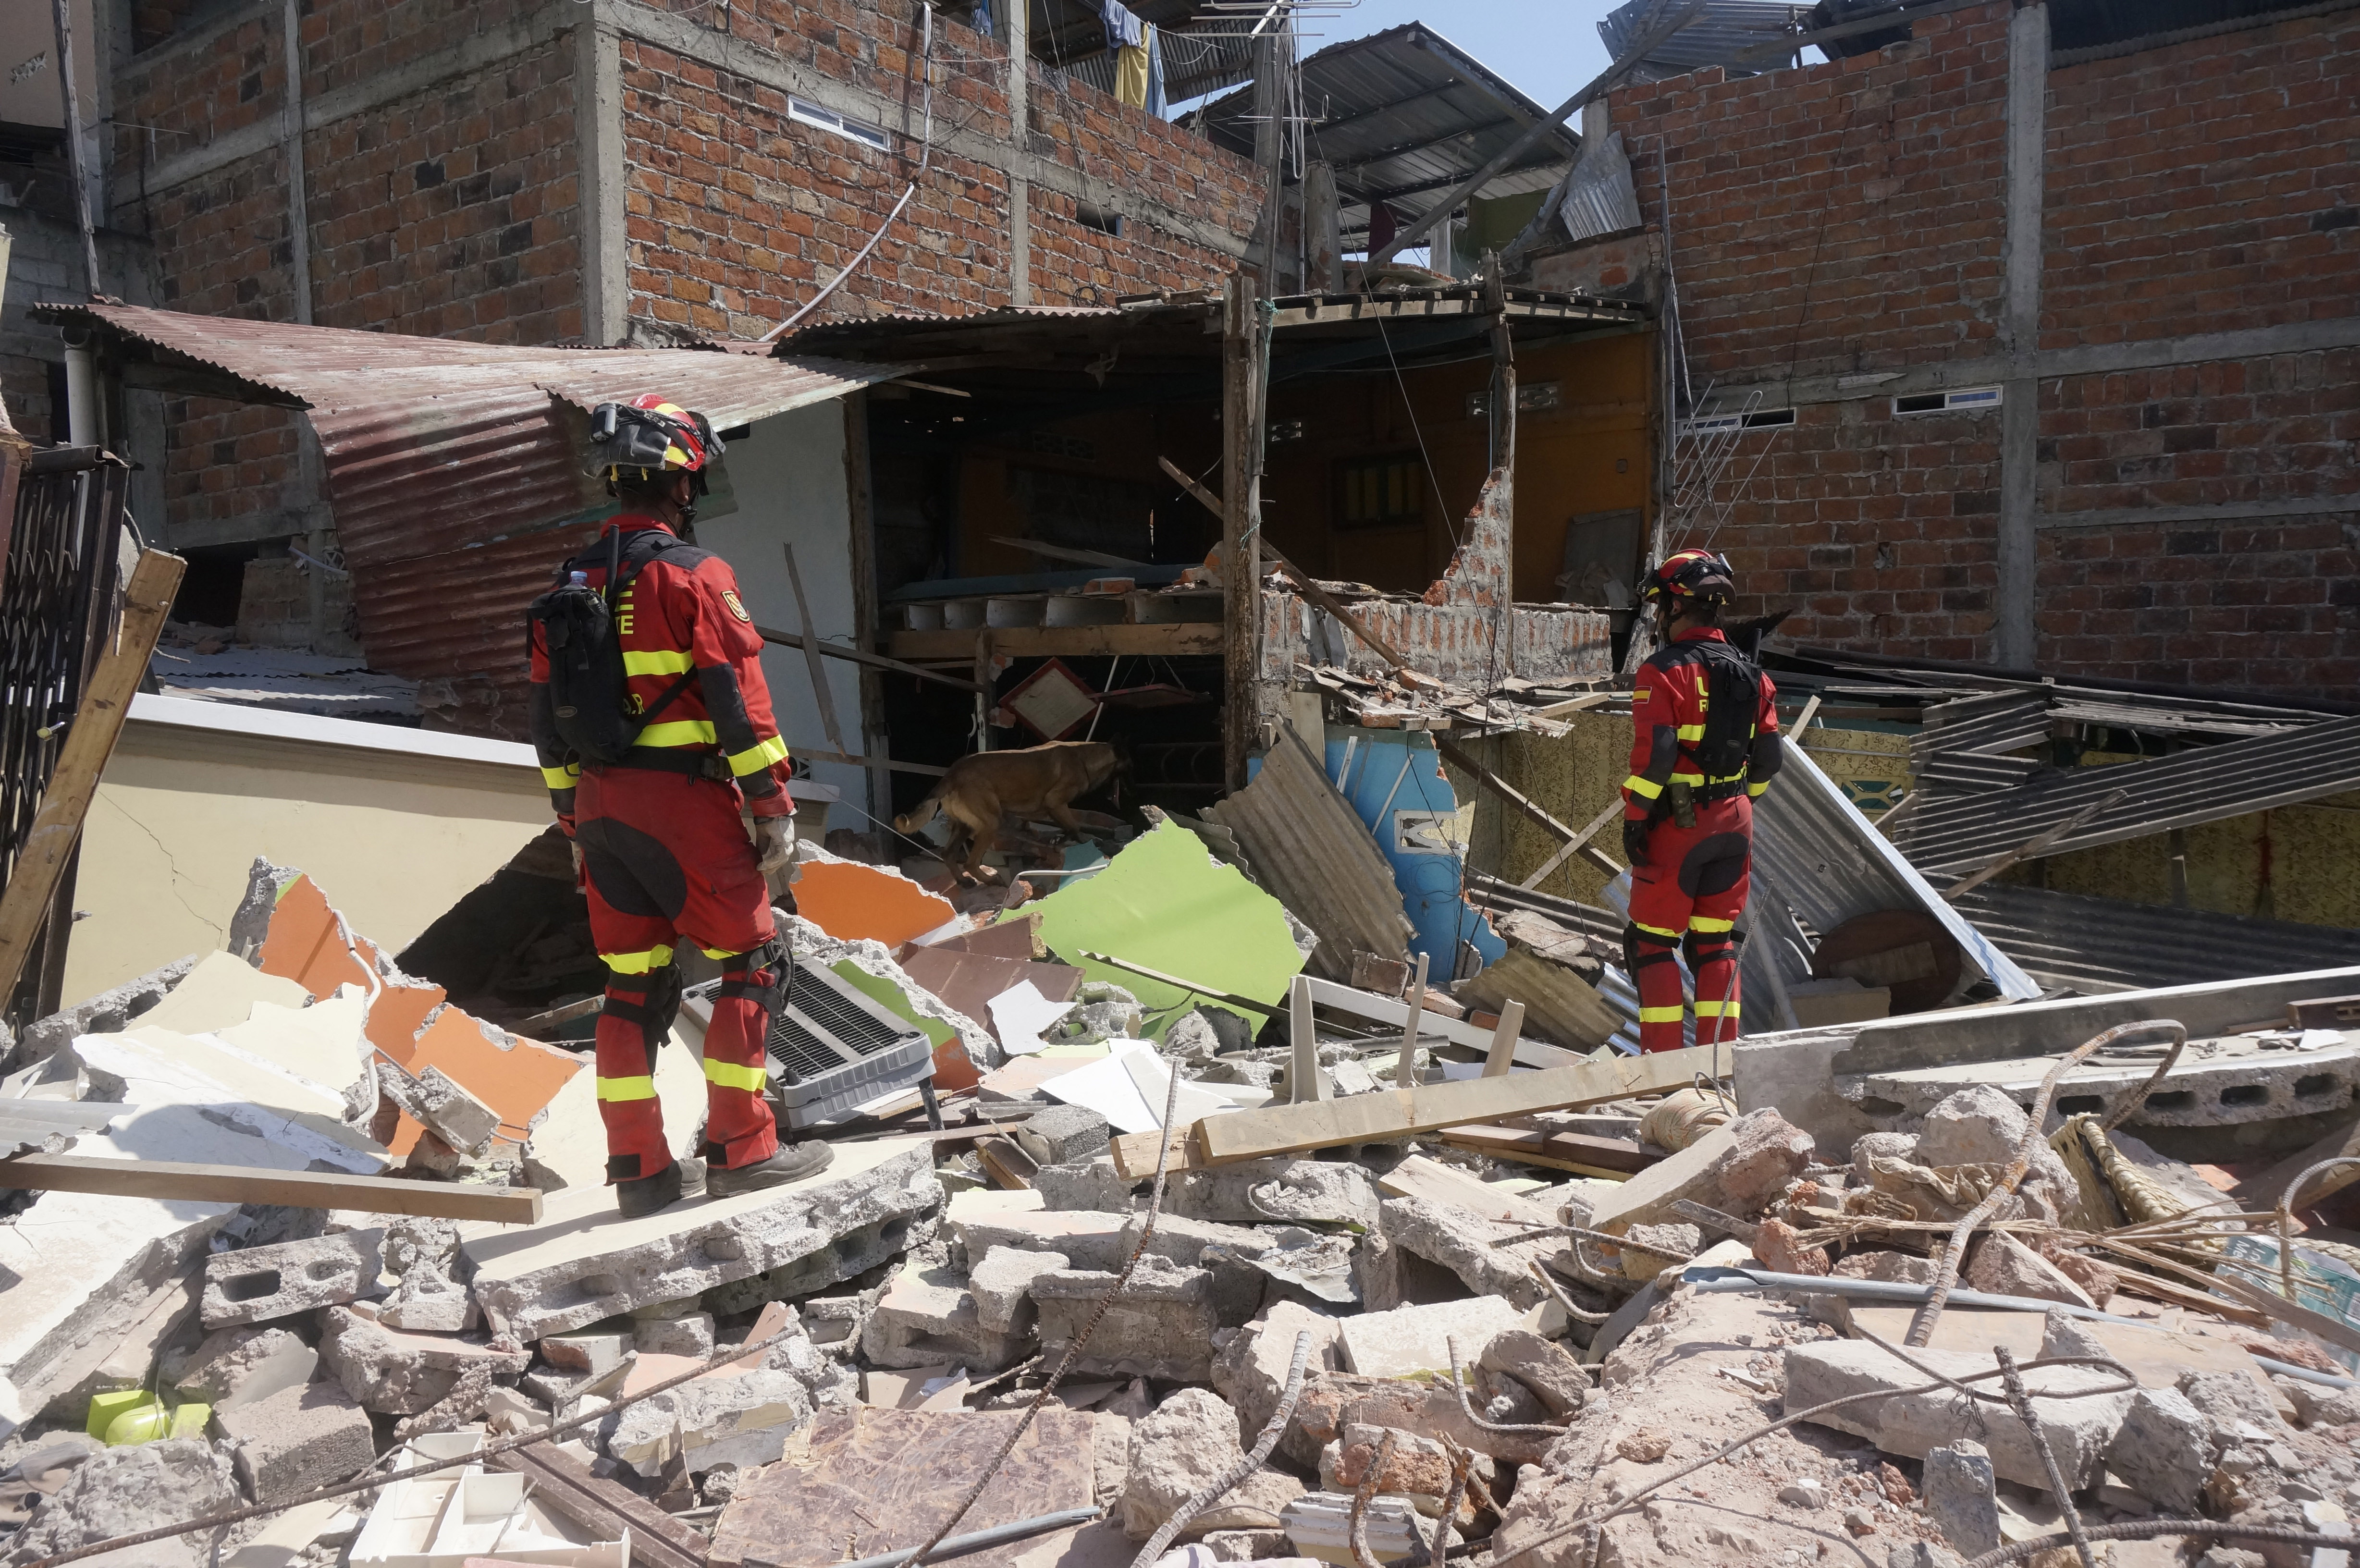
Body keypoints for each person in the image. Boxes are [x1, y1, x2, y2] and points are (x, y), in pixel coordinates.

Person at [528, 394, 832, 1217]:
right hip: (683, 803)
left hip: (600, 806)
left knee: (633, 982)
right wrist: (771, 805)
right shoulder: (695, 575)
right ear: (684, 480)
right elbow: (740, 705)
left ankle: (640, 1169)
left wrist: (571, 821)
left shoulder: (571, 581)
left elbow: (543, 719)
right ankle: (743, 1150)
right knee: (754, 962)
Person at [1618, 548, 1782, 1054]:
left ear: (1673, 606)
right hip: (1736, 823)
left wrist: (1635, 819)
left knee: (1650, 944)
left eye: (1659, 608)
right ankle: (1720, 1066)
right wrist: (1738, 803)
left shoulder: (1661, 672)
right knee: (1715, 944)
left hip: (1680, 823)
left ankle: (1662, 1069)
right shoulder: (1756, 676)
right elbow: (1768, 760)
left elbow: (1657, 759)